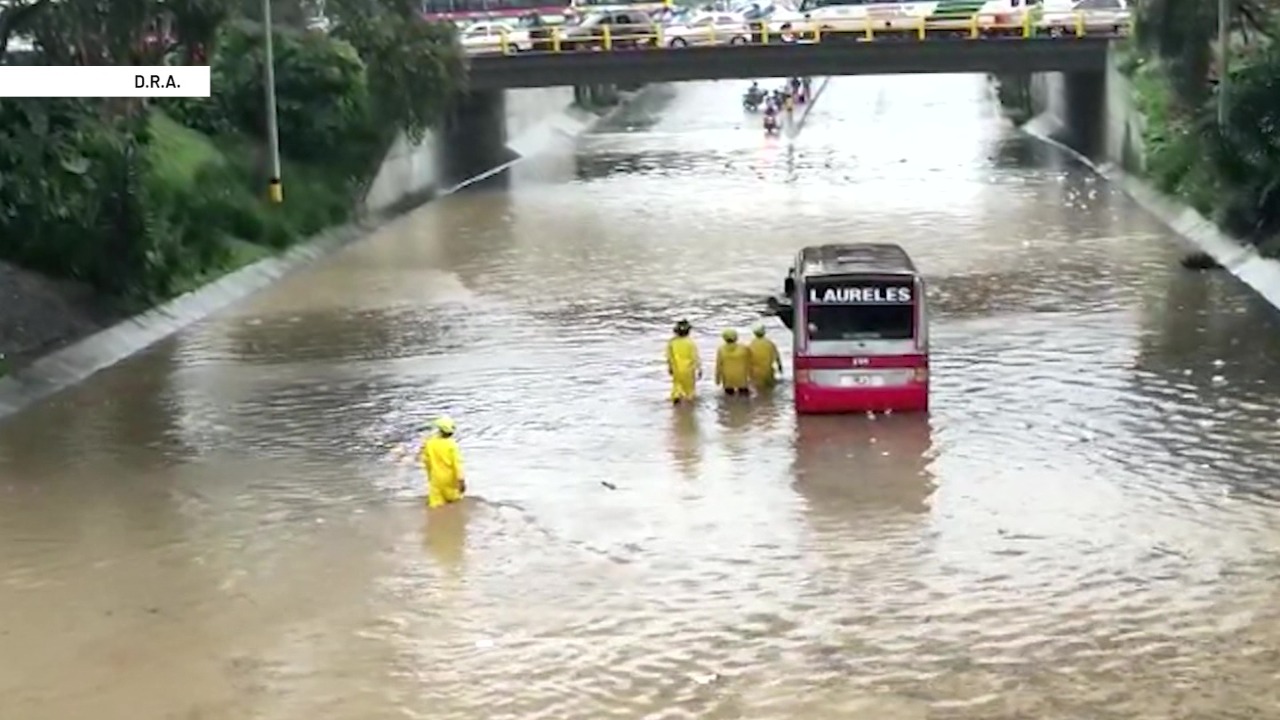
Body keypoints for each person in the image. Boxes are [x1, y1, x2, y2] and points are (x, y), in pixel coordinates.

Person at [422, 416, 466, 509]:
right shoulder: (452, 445)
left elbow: (426, 461)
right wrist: (461, 481)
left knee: (435, 503)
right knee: (454, 500)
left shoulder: (430, 443)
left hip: (436, 477)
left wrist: (429, 475)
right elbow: (457, 464)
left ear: (439, 430)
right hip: (450, 478)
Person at [667, 319, 701, 404]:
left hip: (676, 369)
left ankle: (676, 397)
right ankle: (688, 403)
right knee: (689, 388)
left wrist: (670, 367)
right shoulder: (690, 343)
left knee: (677, 384)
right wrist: (699, 368)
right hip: (688, 369)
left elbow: (669, 356)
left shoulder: (671, 342)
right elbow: (695, 357)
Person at [715, 328, 752, 396]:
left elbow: (719, 365)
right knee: (744, 397)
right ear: (736, 337)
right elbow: (751, 361)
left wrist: (717, 379)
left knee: (728, 398)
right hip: (741, 377)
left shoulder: (721, 349)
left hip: (728, 378)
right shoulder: (743, 348)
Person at [748, 323, 783, 391]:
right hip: (768, 371)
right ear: (764, 333)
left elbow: (747, 359)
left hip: (755, 372)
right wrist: (780, 367)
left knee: (758, 390)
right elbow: (777, 357)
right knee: (770, 391)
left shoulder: (751, 344)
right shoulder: (770, 343)